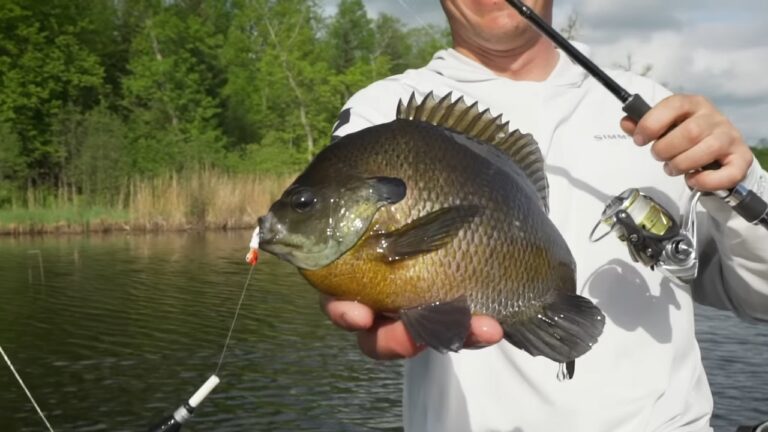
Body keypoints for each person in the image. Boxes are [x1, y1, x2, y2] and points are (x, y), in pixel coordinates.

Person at [322, 1, 768, 431]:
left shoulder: (659, 114)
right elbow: (333, 232)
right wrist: (340, 277)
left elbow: (759, 299)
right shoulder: (383, 112)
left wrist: (745, 178)